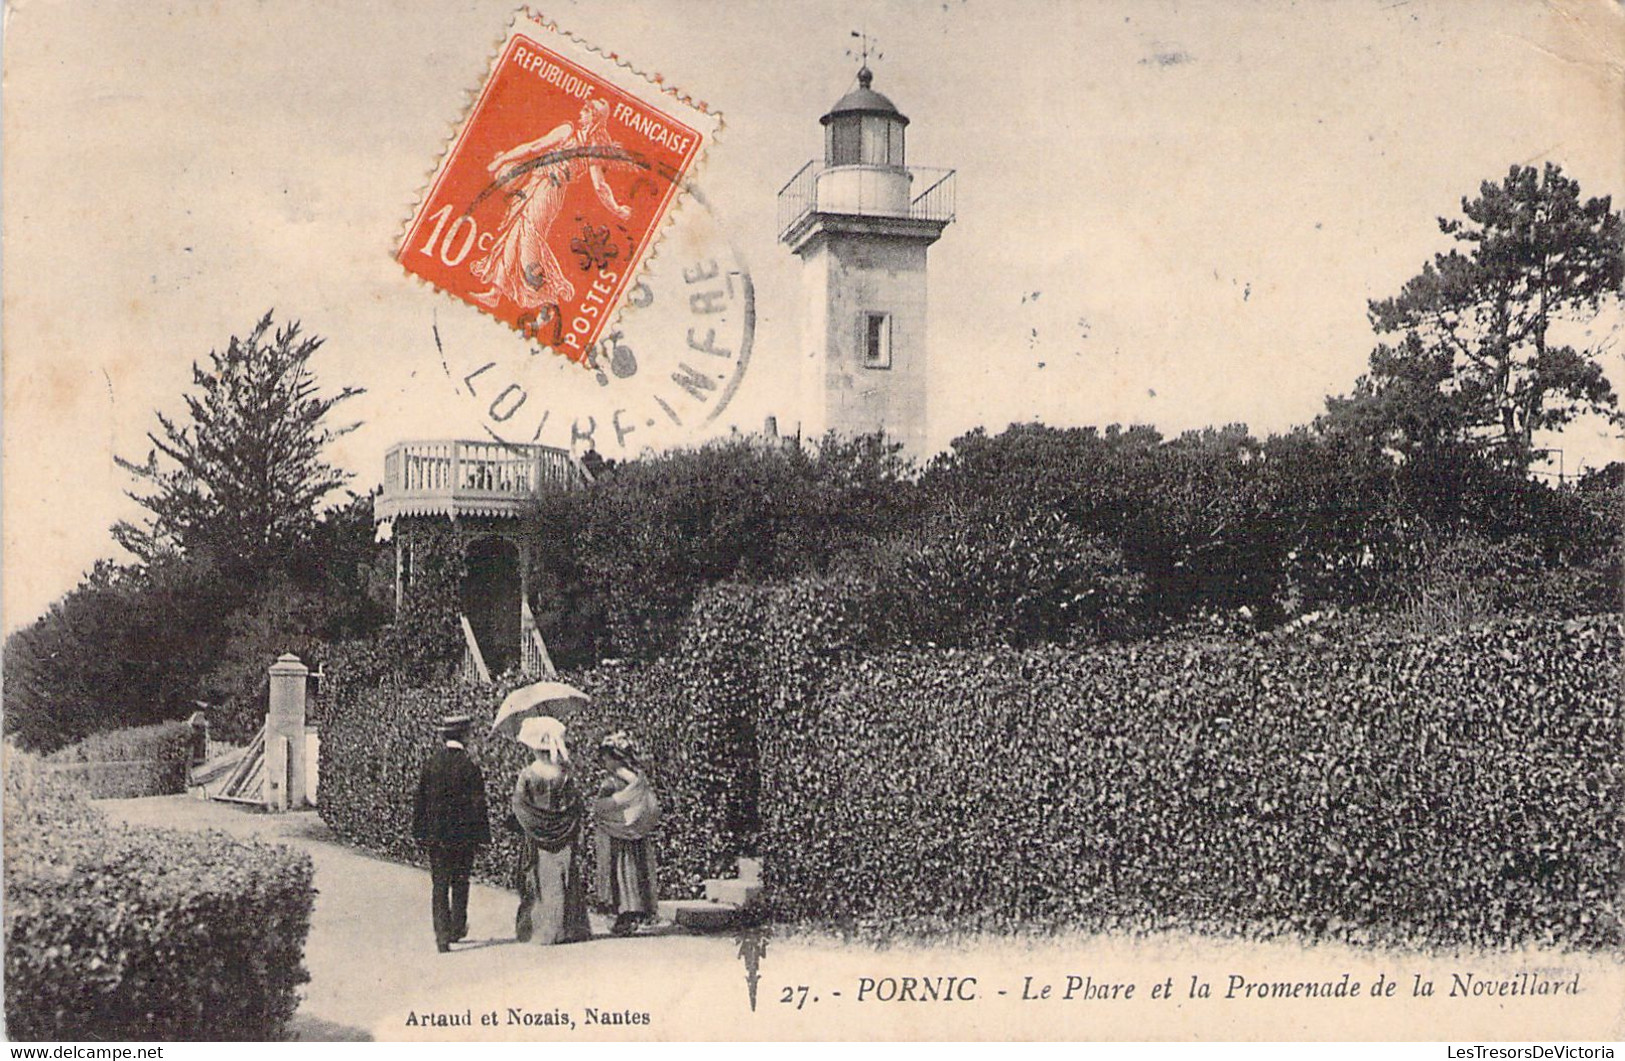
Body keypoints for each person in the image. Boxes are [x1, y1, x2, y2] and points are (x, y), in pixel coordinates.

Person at [469, 97, 632, 312]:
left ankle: (542, 290)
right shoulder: (566, 131)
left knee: (528, 235)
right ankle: (496, 292)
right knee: (513, 232)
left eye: (586, 110)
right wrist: (501, 161)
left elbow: (600, 185)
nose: (581, 113)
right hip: (534, 183)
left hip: (550, 191)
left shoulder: (594, 148)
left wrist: (616, 208)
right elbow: (533, 147)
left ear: (594, 117)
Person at [411, 714, 491, 953]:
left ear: (444, 736)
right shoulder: (470, 766)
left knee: (439, 884)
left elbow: (420, 802)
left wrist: (419, 833)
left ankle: (442, 937)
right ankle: (457, 927)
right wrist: (483, 838)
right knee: (460, 882)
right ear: (464, 736)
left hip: (437, 838)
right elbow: (479, 806)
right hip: (463, 838)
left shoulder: (431, 764)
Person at [510, 716, 591, 945]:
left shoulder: (527, 774)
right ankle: (568, 928)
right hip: (563, 833)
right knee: (564, 876)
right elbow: (576, 803)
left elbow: (519, 803)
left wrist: (531, 821)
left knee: (539, 878)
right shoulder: (563, 774)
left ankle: (542, 929)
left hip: (536, 835)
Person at [591, 731, 661, 936]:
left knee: (618, 872)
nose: (603, 761)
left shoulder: (610, 783)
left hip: (616, 836)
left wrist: (601, 808)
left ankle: (622, 915)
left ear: (615, 757)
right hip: (636, 833)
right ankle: (635, 913)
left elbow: (600, 807)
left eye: (605, 757)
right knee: (635, 871)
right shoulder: (640, 780)